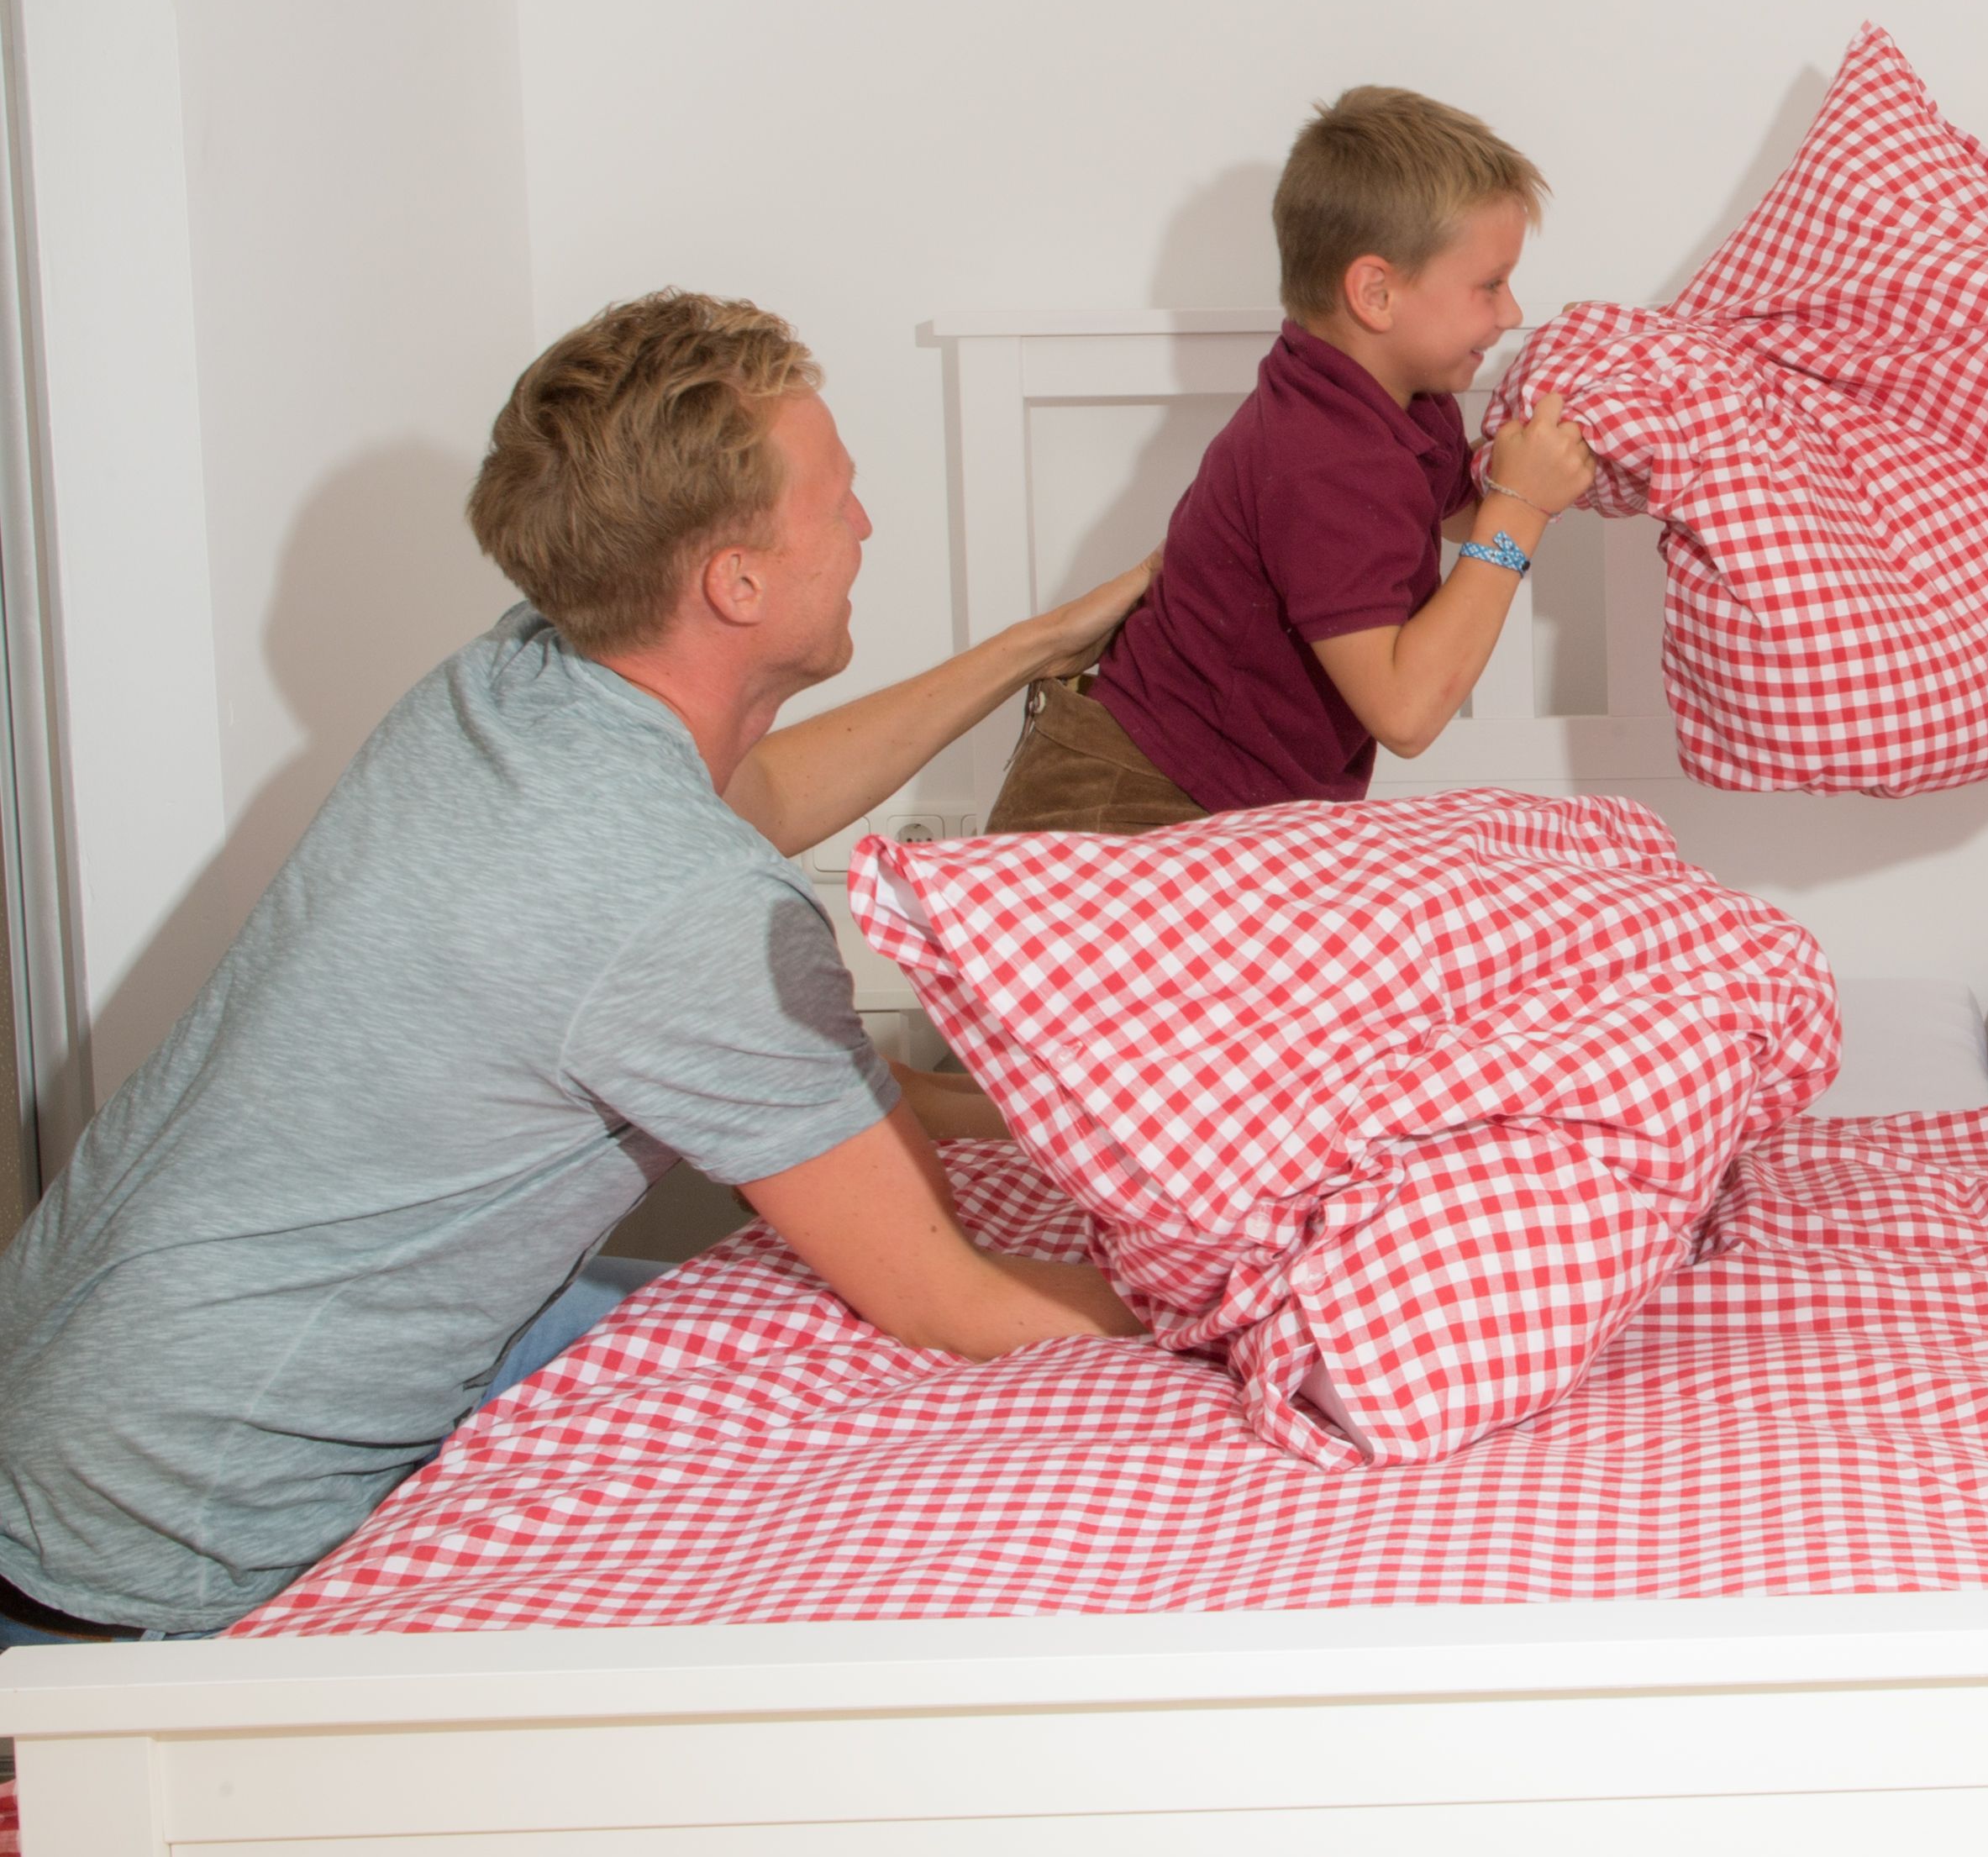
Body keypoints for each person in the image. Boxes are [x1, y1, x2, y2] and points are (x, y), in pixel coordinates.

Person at [0, 292, 1152, 1644]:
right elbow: (950, 1296)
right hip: (157, 1548)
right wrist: (1258, 1304)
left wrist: (1036, 645)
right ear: (736, 584)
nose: (864, 525)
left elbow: (749, 791)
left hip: (67, 1402)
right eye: (837, 500)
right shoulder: (693, 912)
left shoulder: (511, 685)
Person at [989, 87, 1599, 833]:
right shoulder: (1323, 457)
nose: (1509, 313)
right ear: (1375, 293)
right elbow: (1406, 715)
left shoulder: (1396, 397)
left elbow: (1454, 515)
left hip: (1229, 803)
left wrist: (1539, 467)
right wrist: (1523, 510)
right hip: (1123, 804)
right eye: (1490, 284)